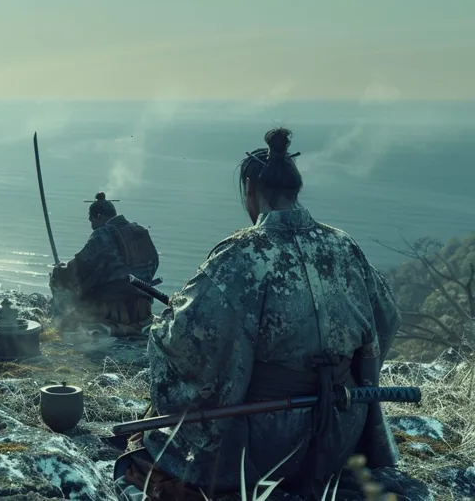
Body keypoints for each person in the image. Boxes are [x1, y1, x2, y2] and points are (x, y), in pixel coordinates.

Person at [114, 128, 403, 499]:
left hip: (266, 439)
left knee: (147, 446)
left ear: (250, 190)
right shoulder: (343, 245)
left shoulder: (242, 253)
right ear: (295, 189)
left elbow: (184, 341)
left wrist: (164, 325)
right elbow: (388, 317)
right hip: (342, 428)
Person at [49, 192, 159, 337]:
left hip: (111, 306)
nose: (92, 225)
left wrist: (62, 269)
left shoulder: (102, 234)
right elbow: (155, 263)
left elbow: (78, 266)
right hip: (142, 305)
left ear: (98, 216)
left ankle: (57, 322)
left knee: (58, 274)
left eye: (91, 220)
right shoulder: (140, 231)